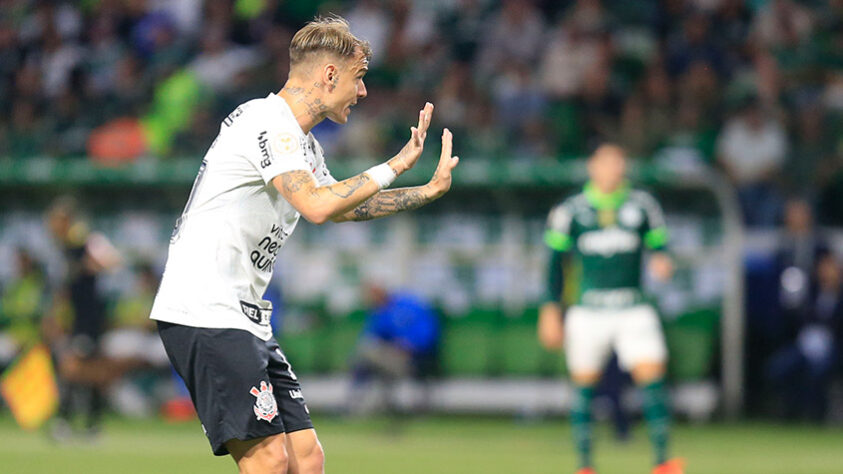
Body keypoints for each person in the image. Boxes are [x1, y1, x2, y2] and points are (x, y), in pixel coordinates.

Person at [149, 15, 459, 474]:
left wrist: (425, 192)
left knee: (306, 459)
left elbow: (340, 206)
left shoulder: (302, 144)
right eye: (359, 78)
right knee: (270, 461)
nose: (364, 92)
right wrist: (393, 166)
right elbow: (315, 205)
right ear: (329, 74)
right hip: (205, 308)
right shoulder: (268, 122)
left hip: (244, 315)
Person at [537, 144, 682, 474]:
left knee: (652, 378)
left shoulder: (642, 205)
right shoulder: (570, 210)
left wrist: (662, 258)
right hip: (589, 309)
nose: (613, 169)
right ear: (593, 167)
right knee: (583, 384)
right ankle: (585, 465)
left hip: (632, 306)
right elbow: (554, 264)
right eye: (606, 163)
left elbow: (660, 245)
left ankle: (662, 462)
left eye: (619, 163)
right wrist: (550, 310)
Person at [45, 196, 123, 439]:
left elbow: (113, 261)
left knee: (75, 369)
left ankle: (71, 422)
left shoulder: (87, 241)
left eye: (57, 221)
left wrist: (92, 265)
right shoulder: (64, 249)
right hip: (76, 319)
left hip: (88, 319)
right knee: (82, 369)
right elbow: (64, 289)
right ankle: (89, 424)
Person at [765, 253, 843, 422]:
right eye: (823, 268)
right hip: (804, 348)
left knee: (818, 372)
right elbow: (794, 320)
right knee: (779, 368)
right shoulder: (809, 293)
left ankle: (817, 415)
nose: (827, 272)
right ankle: (791, 412)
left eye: (831, 268)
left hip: (833, 350)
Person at [348, 284, 440, 417]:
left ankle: (357, 407)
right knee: (365, 357)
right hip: (390, 359)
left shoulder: (409, 305)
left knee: (366, 354)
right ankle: (360, 405)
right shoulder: (380, 312)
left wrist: (409, 344)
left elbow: (427, 333)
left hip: (414, 358)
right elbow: (372, 336)